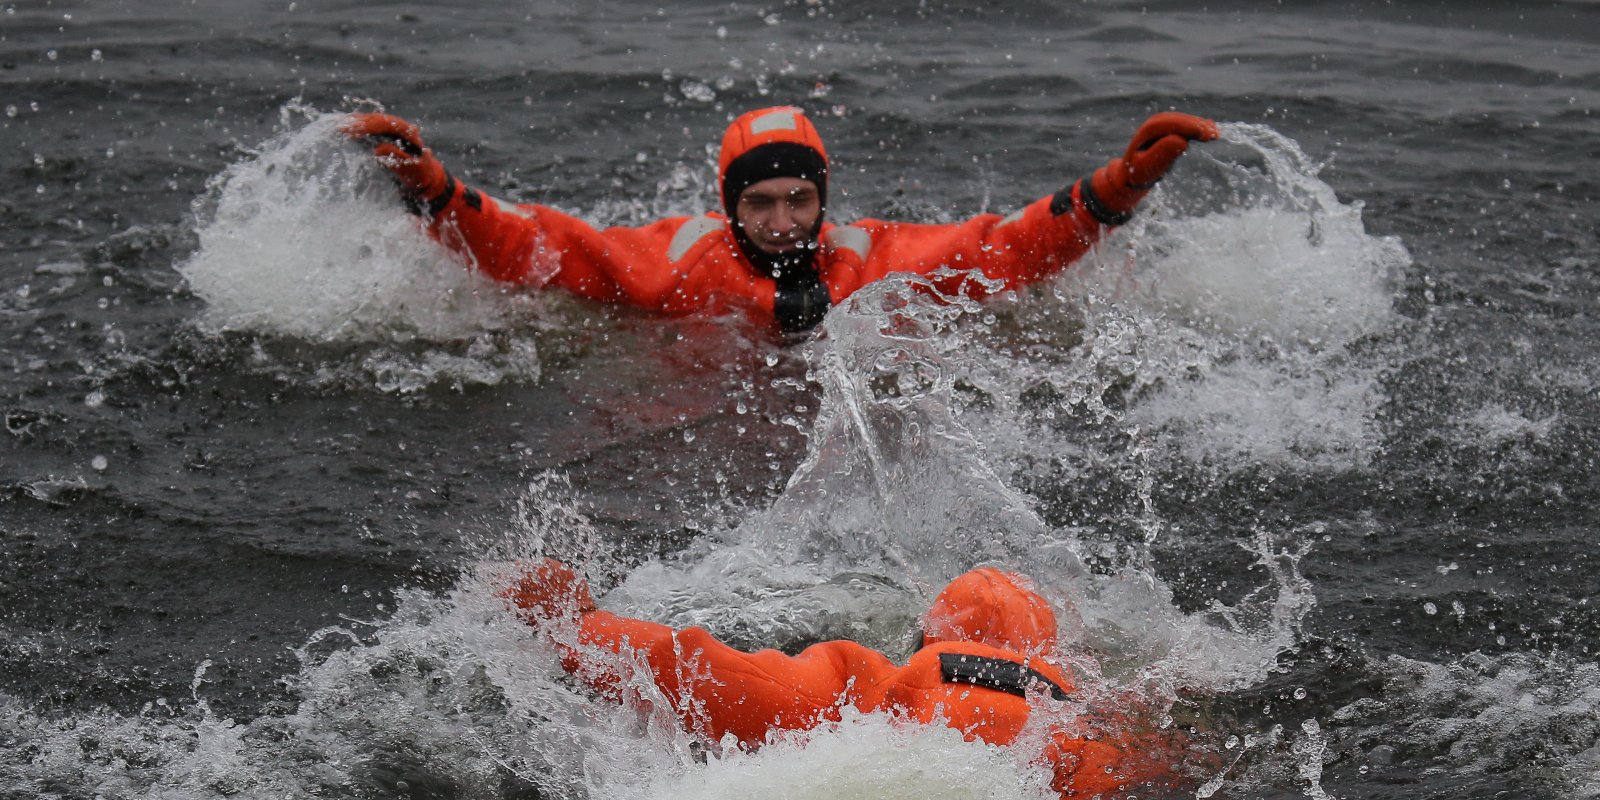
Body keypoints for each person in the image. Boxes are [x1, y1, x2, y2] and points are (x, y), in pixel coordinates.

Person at [342, 106, 1218, 335]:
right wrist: (432, 189)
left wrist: (1119, 184)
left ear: (824, 198)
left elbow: (1009, 248)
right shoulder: (672, 263)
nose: (782, 220)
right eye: (757, 203)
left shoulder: (876, 260)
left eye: (799, 198)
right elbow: (533, 245)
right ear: (729, 206)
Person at [503, 560, 1197, 798]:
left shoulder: (876, 683)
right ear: (1049, 653)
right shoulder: (1102, 723)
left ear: (930, 637)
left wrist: (571, 622)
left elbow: (713, 675)